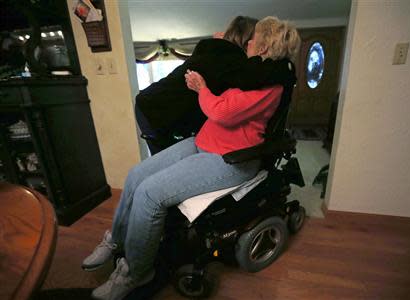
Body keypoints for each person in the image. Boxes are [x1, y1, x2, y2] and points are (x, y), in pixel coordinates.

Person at [85, 17, 300, 300]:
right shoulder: (253, 72)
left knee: (150, 194)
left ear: (263, 47)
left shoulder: (270, 86)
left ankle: (135, 273)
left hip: (231, 159)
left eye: (254, 38)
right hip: (203, 143)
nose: (247, 41)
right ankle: (116, 239)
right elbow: (227, 68)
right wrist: (221, 44)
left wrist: (202, 88)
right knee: (136, 175)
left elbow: (222, 112)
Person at [135, 16, 296, 154]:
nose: (253, 43)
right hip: (154, 110)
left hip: (151, 101)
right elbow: (255, 77)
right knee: (166, 171)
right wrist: (286, 66)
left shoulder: (217, 49)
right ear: (246, 40)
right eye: (253, 39)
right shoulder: (229, 59)